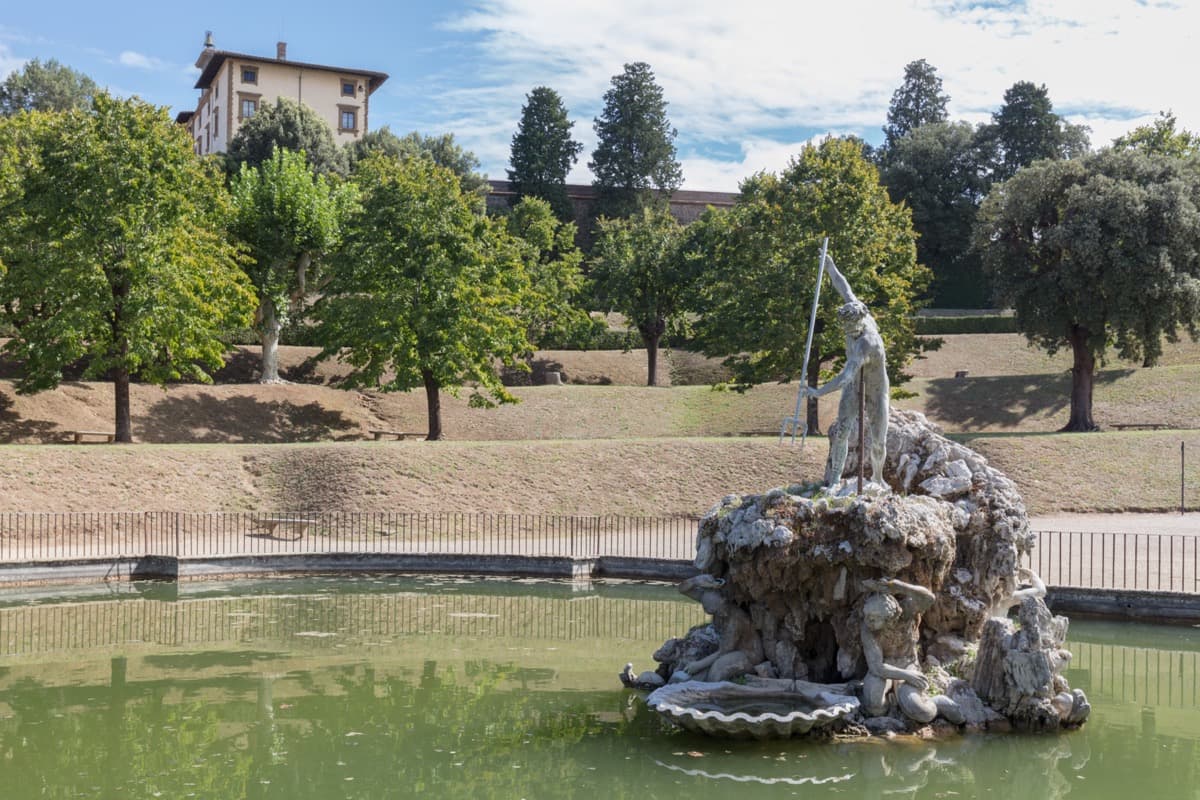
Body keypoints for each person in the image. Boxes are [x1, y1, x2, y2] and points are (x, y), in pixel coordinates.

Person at [798, 254, 889, 486]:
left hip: (876, 390)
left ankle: (878, 479)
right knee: (841, 431)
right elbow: (844, 286)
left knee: (878, 440)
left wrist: (818, 393)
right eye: (845, 327)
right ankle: (835, 481)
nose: (847, 332)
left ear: (861, 321)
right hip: (854, 387)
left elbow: (844, 376)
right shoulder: (854, 311)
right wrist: (830, 267)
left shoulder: (866, 343)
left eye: (850, 328)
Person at [860, 578, 962, 723]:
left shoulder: (905, 612)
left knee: (922, 713)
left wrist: (899, 586)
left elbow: (928, 598)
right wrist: (907, 676)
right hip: (884, 669)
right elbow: (876, 667)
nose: (868, 621)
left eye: (874, 618)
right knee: (873, 705)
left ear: (889, 618)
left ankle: (937, 703)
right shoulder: (867, 630)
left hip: (907, 664)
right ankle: (894, 703)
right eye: (867, 616)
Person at [677, 573, 763, 682]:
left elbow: (724, 651)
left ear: (723, 601)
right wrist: (696, 581)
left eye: (717, 611)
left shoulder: (736, 620)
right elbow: (682, 589)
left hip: (749, 653)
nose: (718, 614)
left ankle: (714, 694)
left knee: (717, 669)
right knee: (699, 669)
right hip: (729, 647)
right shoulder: (711, 599)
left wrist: (699, 665)